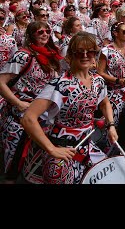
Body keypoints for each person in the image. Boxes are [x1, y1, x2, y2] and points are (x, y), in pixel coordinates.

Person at [20, 32, 117, 184]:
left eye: (90, 51)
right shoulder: (59, 84)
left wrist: (111, 125)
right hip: (61, 150)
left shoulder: (98, 81)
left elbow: (104, 103)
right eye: (79, 52)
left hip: (86, 146)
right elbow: (28, 118)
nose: (85, 55)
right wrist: (51, 149)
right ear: (70, 55)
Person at [0, 21, 61, 183]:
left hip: (44, 117)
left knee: (38, 165)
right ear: (31, 34)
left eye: (47, 31)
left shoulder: (52, 55)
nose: (45, 34)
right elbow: (1, 82)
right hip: (21, 118)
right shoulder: (23, 55)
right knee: (14, 166)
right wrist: (18, 103)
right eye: (40, 32)